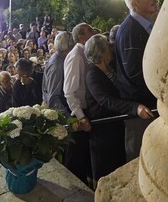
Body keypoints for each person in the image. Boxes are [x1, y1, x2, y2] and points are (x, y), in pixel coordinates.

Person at [84, 34, 154, 185]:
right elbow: (106, 100)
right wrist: (134, 108)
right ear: (101, 52)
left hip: (114, 127)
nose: (111, 49)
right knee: (105, 170)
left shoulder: (108, 68)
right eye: (108, 47)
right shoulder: (92, 74)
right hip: (103, 131)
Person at [115, 0, 159, 161]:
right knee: (140, 158)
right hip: (141, 108)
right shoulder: (131, 31)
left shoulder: (142, 26)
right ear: (135, 4)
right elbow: (134, 72)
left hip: (147, 103)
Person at [63, 22, 96, 184]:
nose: (93, 33)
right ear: (82, 36)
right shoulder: (75, 56)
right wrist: (81, 116)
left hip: (86, 109)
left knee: (82, 155)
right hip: (79, 111)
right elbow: (69, 91)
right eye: (90, 31)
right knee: (75, 158)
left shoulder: (85, 53)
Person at [42, 31, 74, 114]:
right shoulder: (57, 65)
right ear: (68, 46)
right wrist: (69, 119)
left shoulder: (59, 59)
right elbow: (53, 97)